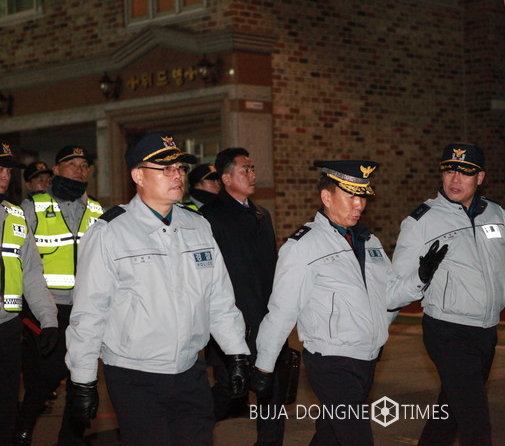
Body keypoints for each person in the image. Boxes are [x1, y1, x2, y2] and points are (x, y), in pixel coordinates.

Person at [64, 132, 250, 445]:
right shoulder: (110, 232)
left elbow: (218, 300)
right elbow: (90, 313)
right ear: (138, 176)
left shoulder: (197, 226)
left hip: (190, 370)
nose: (177, 175)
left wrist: (237, 354)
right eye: (165, 169)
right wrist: (82, 380)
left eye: (180, 168)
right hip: (135, 376)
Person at [251, 160, 446, 445]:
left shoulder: (369, 241)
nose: (359, 205)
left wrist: (420, 277)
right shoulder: (303, 246)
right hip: (331, 362)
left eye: (363, 197)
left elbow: (389, 296)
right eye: (351, 196)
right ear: (326, 197)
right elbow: (282, 311)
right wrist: (264, 366)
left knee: (330, 436)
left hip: (366, 358)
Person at [391, 143, 505, 446]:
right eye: (449, 171)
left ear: (480, 178)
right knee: (476, 423)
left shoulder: (496, 214)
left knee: (451, 413)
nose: (455, 179)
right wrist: (377, 334)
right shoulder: (422, 221)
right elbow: (394, 286)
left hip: (485, 332)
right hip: (447, 331)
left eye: (465, 172)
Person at [16, 146, 103, 445]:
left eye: (84, 165)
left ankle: (71, 438)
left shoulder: (96, 210)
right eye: (72, 164)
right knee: (48, 376)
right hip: (46, 308)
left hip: (86, 309)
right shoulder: (33, 206)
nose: (80, 170)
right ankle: (22, 430)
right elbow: (21, 259)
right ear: (56, 170)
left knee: (82, 376)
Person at [200, 147, 285, 443]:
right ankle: (191, 427)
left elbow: (271, 267)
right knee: (230, 389)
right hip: (230, 321)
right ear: (226, 179)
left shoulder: (262, 215)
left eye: (252, 169)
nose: (252, 175)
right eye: (244, 170)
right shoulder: (209, 217)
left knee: (272, 391)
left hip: (266, 318)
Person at [0, 141, 58, 445]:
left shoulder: (15, 215)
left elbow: (33, 273)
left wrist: (48, 319)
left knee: (6, 410)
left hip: (8, 329)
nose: (5, 175)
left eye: (8, 169)